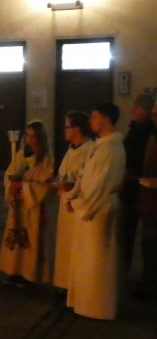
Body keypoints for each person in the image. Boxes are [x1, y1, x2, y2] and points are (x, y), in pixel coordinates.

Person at [66, 102, 126, 320]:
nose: (90, 121)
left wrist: (78, 203)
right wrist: (74, 194)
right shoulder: (100, 146)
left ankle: (97, 305)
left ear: (106, 119)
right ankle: (86, 302)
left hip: (100, 208)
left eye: (94, 116)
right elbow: (85, 177)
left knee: (97, 260)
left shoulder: (111, 149)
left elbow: (99, 185)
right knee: (87, 258)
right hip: (92, 207)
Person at [0, 121, 54, 287]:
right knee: (15, 235)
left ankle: (28, 274)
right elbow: (11, 171)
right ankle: (13, 270)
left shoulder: (46, 157)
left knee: (31, 237)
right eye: (27, 135)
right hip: (19, 203)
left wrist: (22, 184)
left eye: (33, 135)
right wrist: (12, 182)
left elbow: (43, 182)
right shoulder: (21, 153)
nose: (30, 139)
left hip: (32, 205)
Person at [52, 111, 94, 290]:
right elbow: (63, 172)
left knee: (77, 247)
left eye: (67, 127)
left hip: (78, 205)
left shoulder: (90, 149)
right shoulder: (71, 150)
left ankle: (76, 285)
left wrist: (68, 185)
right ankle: (65, 283)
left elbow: (88, 178)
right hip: (65, 204)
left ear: (77, 129)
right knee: (65, 246)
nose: (64, 130)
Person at [121, 94, 155, 277]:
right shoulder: (134, 129)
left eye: (138, 107)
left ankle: (148, 277)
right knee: (127, 231)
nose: (133, 110)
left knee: (149, 237)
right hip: (130, 186)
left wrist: (133, 172)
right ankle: (123, 269)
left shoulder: (150, 132)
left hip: (144, 187)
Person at [137, 97, 157, 300]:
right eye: (153, 114)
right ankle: (148, 281)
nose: (154, 118)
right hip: (149, 200)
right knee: (148, 244)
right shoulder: (152, 136)